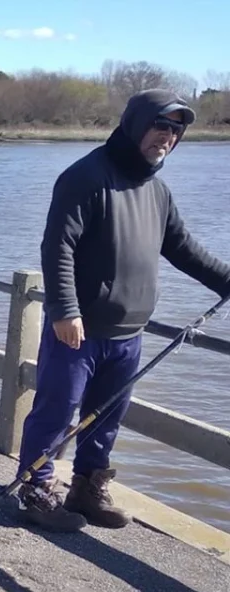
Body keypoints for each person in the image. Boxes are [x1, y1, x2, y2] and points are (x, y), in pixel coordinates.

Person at [16, 88, 230, 533]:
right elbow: (58, 247)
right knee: (57, 412)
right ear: (136, 124)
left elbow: (184, 249)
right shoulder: (86, 176)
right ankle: (36, 489)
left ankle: (86, 487)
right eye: (160, 126)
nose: (167, 137)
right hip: (77, 330)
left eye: (176, 130)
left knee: (106, 418)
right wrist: (64, 309)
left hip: (129, 332)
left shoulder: (157, 191)